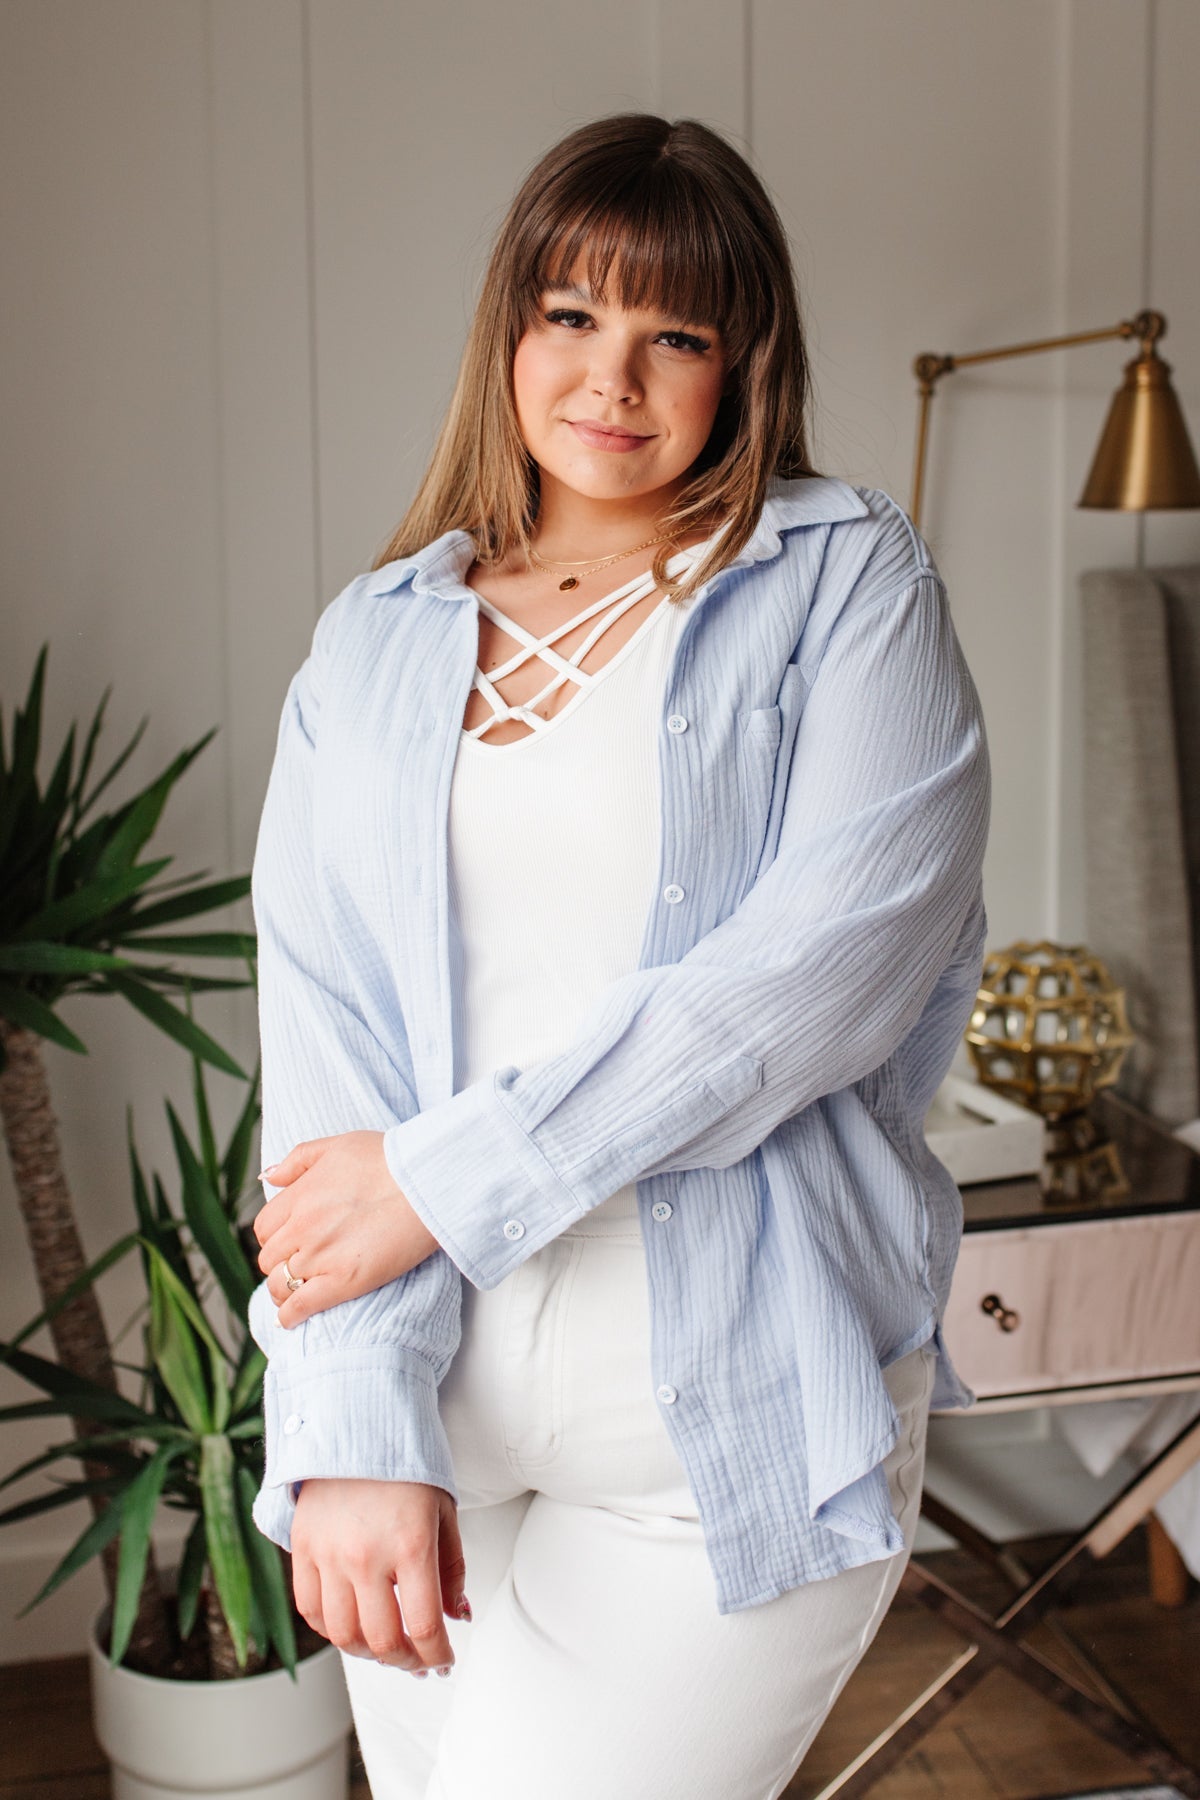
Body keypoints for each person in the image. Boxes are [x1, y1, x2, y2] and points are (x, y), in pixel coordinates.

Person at [246, 112, 991, 1800]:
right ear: (508, 330)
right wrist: (350, 1424)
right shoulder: (371, 643)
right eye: (572, 315)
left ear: (744, 364)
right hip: (428, 1409)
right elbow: (327, 1044)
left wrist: (442, 1181)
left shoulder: (846, 584)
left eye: (677, 335)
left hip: (726, 1418)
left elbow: (809, 984)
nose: (613, 378)